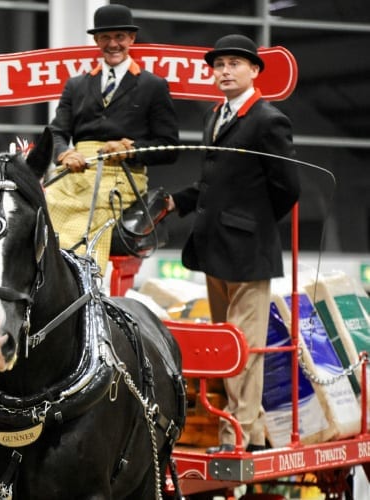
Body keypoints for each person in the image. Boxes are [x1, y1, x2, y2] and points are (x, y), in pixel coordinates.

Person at [166, 34, 301, 453]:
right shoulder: (216, 116)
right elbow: (213, 184)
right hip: (213, 251)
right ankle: (254, 432)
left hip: (248, 255)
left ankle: (236, 438)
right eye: (218, 65)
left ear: (254, 71)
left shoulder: (268, 119)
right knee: (227, 347)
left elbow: (288, 187)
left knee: (242, 350)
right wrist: (178, 201)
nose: (224, 71)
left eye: (233, 64)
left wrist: (252, 225)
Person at [46, 3, 179, 273]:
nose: (113, 44)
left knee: (90, 215)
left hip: (121, 176)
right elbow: (57, 132)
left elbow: (170, 147)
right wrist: (64, 153)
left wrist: (131, 149)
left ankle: (81, 280)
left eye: (119, 37)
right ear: (96, 40)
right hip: (76, 172)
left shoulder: (153, 85)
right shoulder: (76, 85)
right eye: (106, 37)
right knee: (41, 206)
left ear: (131, 39)